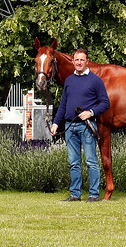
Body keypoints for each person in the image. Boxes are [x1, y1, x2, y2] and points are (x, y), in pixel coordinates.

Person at [50, 47, 110, 202]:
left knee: (91, 161)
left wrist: (91, 112)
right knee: (74, 163)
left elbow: (105, 103)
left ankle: (93, 195)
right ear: (73, 61)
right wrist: (56, 123)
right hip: (70, 127)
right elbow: (63, 105)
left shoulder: (96, 80)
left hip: (87, 127)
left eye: (82, 60)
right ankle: (75, 194)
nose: (79, 62)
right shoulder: (69, 81)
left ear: (87, 61)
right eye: (76, 59)